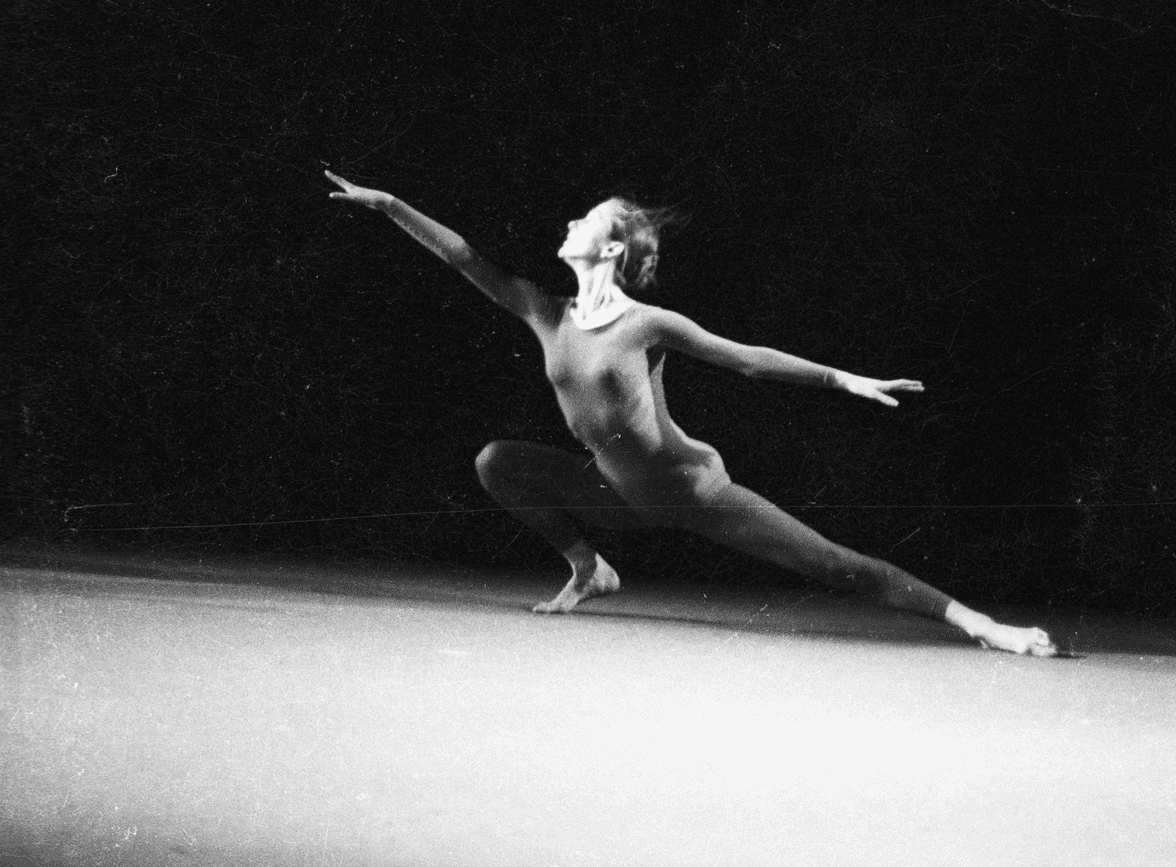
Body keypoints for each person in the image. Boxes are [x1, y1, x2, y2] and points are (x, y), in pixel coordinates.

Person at [325, 169, 1055, 655]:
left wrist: (844, 378)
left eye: (587, 218)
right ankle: (590, 568)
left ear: (608, 247)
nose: (570, 219)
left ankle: (984, 625)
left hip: (695, 492)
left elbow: (745, 357)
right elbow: (463, 257)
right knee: (496, 462)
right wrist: (390, 206)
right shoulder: (546, 313)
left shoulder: (646, 324)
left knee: (837, 564)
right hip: (618, 495)